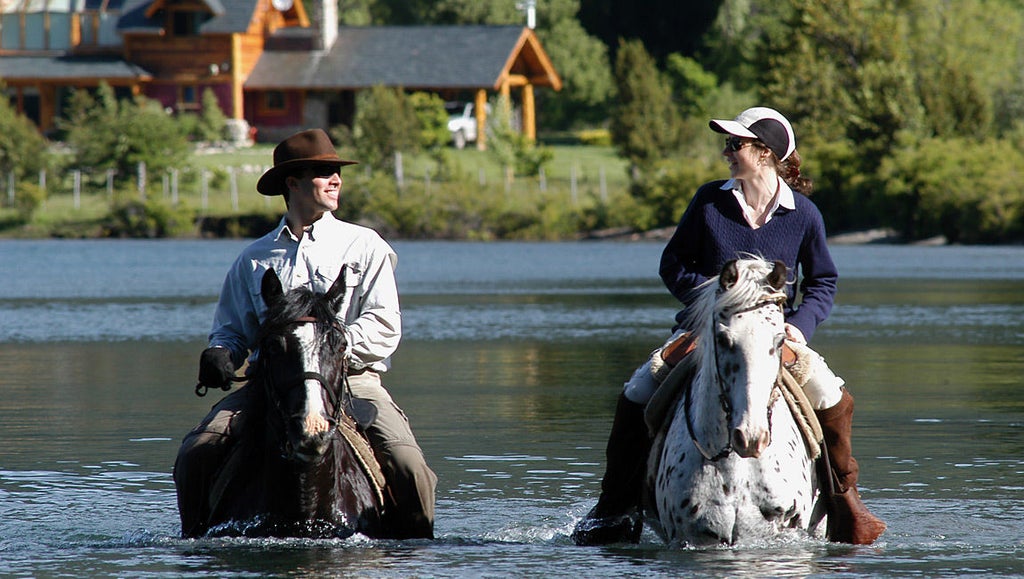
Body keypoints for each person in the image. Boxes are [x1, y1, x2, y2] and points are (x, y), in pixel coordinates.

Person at [572, 107, 886, 546]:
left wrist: (798, 326)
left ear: (764, 153)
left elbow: (822, 281)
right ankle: (614, 508)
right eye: (728, 144)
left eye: (735, 145)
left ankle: (845, 504)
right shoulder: (708, 201)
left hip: (776, 337)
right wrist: (708, 308)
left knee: (833, 398)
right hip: (705, 332)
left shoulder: (805, 215)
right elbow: (673, 264)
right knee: (637, 392)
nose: (726, 152)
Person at [174, 128, 437, 539]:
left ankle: (417, 548)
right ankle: (193, 543)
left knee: (409, 466)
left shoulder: (365, 246)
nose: (336, 180)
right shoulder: (253, 258)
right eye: (323, 172)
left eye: (337, 172)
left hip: (353, 382)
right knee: (197, 452)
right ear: (291, 183)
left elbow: (384, 325)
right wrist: (221, 353)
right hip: (269, 386)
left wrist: (326, 352)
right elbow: (230, 329)